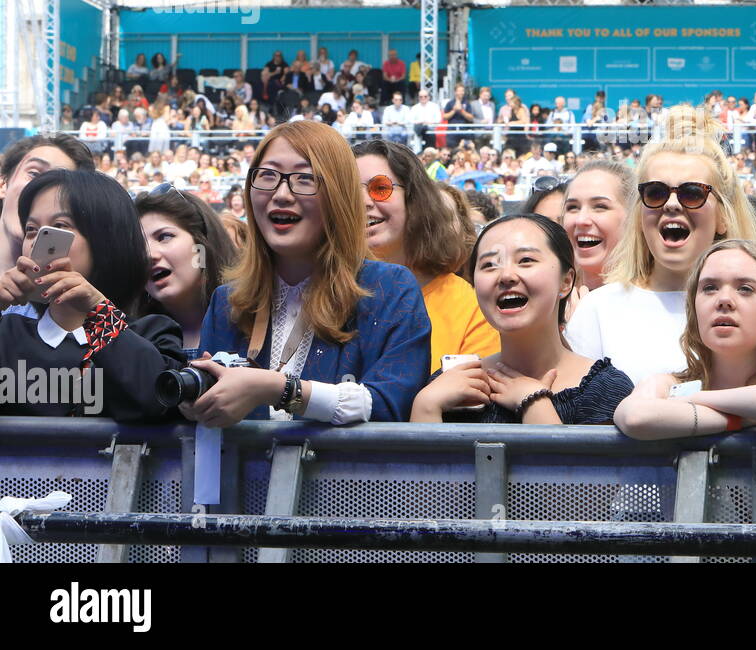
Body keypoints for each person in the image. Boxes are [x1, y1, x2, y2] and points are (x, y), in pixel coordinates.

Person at [187, 121, 431, 426]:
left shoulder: (389, 288)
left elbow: (391, 404)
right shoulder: (228, 301)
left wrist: (280, 389)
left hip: (350, 474)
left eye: (304, 178)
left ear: (339, 195)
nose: (281, 194)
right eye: (267, 176)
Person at [565, 106, 756, 385]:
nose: (672, 204)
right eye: (655, 193)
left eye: (692, 193)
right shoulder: (598, 310)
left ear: (723, 216)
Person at [411, 214, 634, 424]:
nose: (506, 276)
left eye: (526, 260)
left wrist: (535, 406)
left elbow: (576, 466)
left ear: (566, 282)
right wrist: (425, 407)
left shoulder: (604, 390)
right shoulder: (449, 386)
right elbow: (420, 466)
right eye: (489, 265)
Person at [0, 169, 185, 418]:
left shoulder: (151, 334)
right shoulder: (8, 332)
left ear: (106, 240)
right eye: (32, 230)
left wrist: (98, 311)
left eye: (59, 226)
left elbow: (158, 399)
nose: (37, 243)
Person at [615, 239, 756, 438]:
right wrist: (747, 419)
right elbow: (635, 417)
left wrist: (690, 401)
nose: (724, 300)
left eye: (745, 288)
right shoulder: (668, 384)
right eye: (710, 288)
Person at [353, 139, 498, 371]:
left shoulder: (470, 308)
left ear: (415, 199)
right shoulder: (320, 295)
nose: (362, 202)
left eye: (380, 188)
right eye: (349, 191)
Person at [136, 185, 238, 355]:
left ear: (202, 243)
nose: (149, 255)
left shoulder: (256, 323)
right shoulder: (130, 340)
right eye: (137, 246)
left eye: (164, 237)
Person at [0, 134, 95, 278]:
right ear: (3, 184)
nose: (41, 190)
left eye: (58, 184)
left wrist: (94, 299)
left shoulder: (79, 288)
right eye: (34, 173)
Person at [562, 160, 634, 295]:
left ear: (633, 215)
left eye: (600, 206)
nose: (581, 220)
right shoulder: (549, 302)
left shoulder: (655, 304)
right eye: (573, 207)